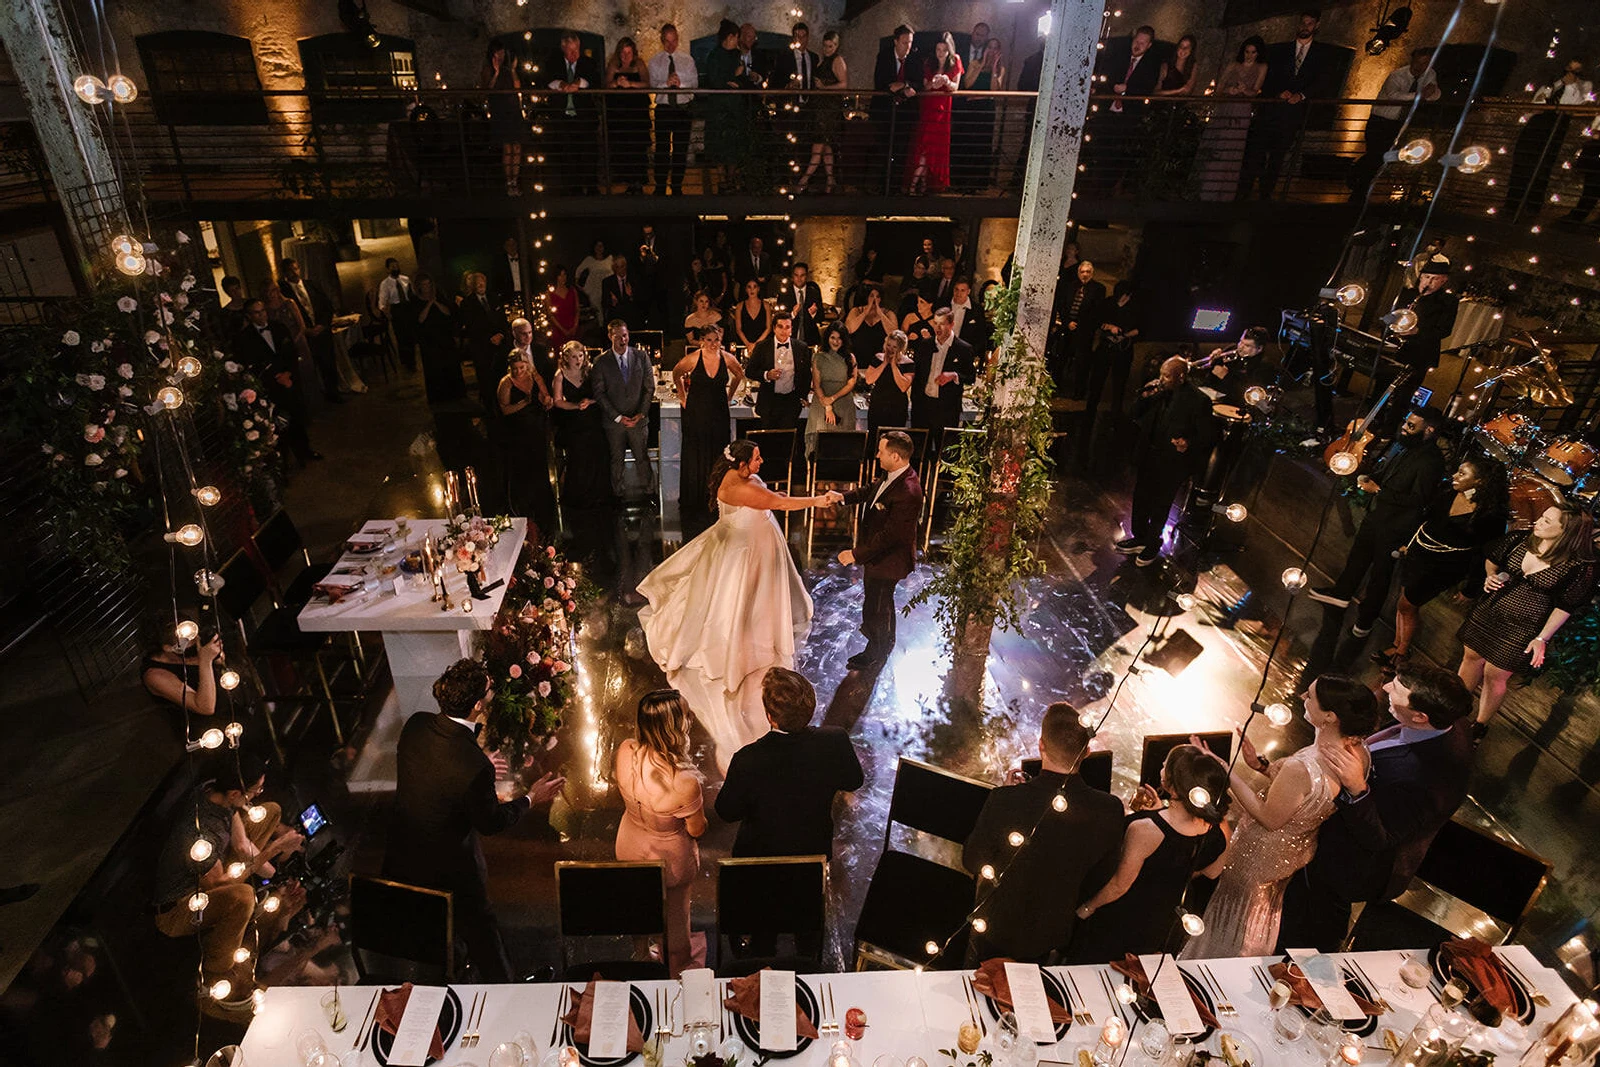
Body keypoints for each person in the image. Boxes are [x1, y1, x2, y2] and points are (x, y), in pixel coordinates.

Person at [638, 439, 829, 770]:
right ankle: (738, 649)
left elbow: (772, 500)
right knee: (740, 605)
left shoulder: (738, 478)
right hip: (746, 557)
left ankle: (757, 633)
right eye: (756, 459)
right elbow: (777, 504)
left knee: (754, 604)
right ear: (740, 465)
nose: (761, 461)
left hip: (753, 548)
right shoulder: (739, 489)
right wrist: (820, 499)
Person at [385, 659, 565, 982]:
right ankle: (504, 986)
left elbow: (436, 767)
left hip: (403, 856)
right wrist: (530, 798)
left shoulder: (416, 724)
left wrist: (476, 767)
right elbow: (491, 822)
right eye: (489, 690)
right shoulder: (472, 767)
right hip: (451, 871)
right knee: (483, 934)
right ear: (478, 704)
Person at [1182, 674, 1381, 959]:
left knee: (1235, 922)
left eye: (1310, 696)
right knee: (1261, 916)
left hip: (1258, 854)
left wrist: (1226, 771)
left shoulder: (1302, 767)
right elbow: (1306, 796)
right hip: (1289, 857)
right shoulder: (1357, 754)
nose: (1302, 697)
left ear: (1329, 717)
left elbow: (1269, 817)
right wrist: (1261, 766)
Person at [1279, 663, 1473, 952]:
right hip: (1336, 837)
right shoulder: (1444, 719)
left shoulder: (1431, 778)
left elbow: (1380, 838)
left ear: (1420, 716)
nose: (1385, 688)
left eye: (1396, 689)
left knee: (1308, 927)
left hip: (1353, 865)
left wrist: (1358, 788)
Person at [963, 705, 1125, 963]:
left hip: (996, 932)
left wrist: (1008, 798)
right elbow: (1102, 876)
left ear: (1041, 746)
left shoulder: (1005, 800)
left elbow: (972, 860)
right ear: (1087, 752)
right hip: (1053, 937)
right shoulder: (1110, 809)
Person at [154, 752, 305, 1008]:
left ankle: (257, 892)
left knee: (271, 811)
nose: (258, 793)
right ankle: (216, 971)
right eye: (255, 790)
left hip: (216, 872)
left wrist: (276, 875)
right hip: (179, 908)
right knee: (243, 896)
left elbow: (241, 843)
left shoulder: (214, 792)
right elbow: (221, 884)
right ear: (235, 794)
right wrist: (275, 848)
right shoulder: (203, 836)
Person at [1069, 745, 1231, 961]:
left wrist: (1087, 908)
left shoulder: (1145, 829)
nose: (1162, 767)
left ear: (1172, 787)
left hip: (1127, 920)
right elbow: (1212, 871)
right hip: (1167, 921)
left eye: (1166, 766)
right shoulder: (1217, 827)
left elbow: (1119, 885)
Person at [1307, 408, 1447, 637]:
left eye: (1411, 425)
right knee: (1357, 559)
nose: (1404, 427)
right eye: (1406, 422)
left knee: (1380, 576)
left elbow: (1419, 499)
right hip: (1378, 515)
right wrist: (1368, 477)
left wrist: (1379, 490)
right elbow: (1388, 474)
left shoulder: (1431, 461)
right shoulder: (1404, 448)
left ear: (1429, 430)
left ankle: (1366, 620)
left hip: (1396, 526)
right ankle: (1341, 594)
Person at [1457, 505, 1597, 729]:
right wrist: (1491, 576)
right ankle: (1451, 713)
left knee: (1495, 675)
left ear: (1565, 532)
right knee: (1470, 658)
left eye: (1547, 521)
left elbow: (1565, 606)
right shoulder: (1519, 540)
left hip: (1524, 626)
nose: (1539, 522)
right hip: (1489, 612)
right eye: (1542, 517)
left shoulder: (1578, 567)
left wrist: (1542, 639)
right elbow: (1493, 557)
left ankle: (1479, 726)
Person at [1374, 457, 1509, 668]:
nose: (1454, 476)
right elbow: (1425, 518)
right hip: (1419, 553)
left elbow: (1486, 552)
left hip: (1445, 567)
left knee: (1407, 603)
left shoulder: (1491, 515)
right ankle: (1397, 644)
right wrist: (1407, 543)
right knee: (1405, 601)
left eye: (1462, 474)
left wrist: (1471, 589)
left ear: (1480, 481)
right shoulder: (1448, 492)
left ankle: (1401, 652)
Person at [716, 667, 864, 858]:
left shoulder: (747, 758)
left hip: (757, 861)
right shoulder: (835, 740)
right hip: (812, 855)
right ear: (811, 708)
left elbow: (727, 812)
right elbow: (854, 781)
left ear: (770, 716)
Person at [614, 690, 706, 977]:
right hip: (670, 861)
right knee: (677, 917)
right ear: (675, 727)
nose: (690, 720)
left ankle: (641, 955)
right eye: (685, 716)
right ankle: (677, 968)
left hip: (629, 844)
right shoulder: (685, 782)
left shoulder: (626, 751)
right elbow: (696, 828)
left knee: (638, 905)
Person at [835, 430, 922, 669]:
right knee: (880, 603)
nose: (877, 456)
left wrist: (855, 554)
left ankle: (875, 654)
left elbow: (890, 536)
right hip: (879, 557)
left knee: (876, 606)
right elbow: (869, 493)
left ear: (895, 456)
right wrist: (842, 498)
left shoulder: (909, 491)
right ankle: (886, 641)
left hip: (889, 560)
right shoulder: (891, 475)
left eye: (881, 452)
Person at [1119, 356, 1217, 566]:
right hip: (1149, 454)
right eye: (1161, 374)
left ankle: (1153, 543)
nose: (1161, 379)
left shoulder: (1198, 400)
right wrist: (1144, 396)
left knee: (1160, 503)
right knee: (1141, 497)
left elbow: (1208, 435)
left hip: (1173, 461)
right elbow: (1134, 413)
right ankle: (1140, 537)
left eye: (1166, 376)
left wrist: (1187, 442)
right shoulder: (1158, 394)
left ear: (1180, 377)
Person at [1239, 10, 1338, 200]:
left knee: (1277, 158)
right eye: (1303, 23)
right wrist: (1278, 92)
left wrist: (1301, 95)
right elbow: (1267, 77)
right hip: (1270, 112)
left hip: (1293, 115)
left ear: (1316, 26)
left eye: (1309, 24)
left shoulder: (1321, 54)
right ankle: (1244, 194)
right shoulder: (1279, 50)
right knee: (1256, 153)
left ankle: (1265, 196)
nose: (1305, 27)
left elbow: (1323, 81)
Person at [672, 324, 744, 517]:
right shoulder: (694, 358)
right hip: (696, 411)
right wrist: (682, 396)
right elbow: (676, 373)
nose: (713, 344)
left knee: (718, 451)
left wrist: (729, 396)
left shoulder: (728, 358)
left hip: (718, 411)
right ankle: (696, 497)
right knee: (697, 451)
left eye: (717, 340)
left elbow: (739, 375)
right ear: (702, 340)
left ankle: (717, 495)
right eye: (709, 340)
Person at [1505, 58, 1592, 217]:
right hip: (1537, 123)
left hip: (1557, 123)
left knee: (1543, 164)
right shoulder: (1551, 84)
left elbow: (1576, 102)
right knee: (1522, 160)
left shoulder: (1584, 86)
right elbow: (1534, 105)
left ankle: (1533, 204)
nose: (1570, 73)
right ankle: (1512, 201)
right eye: (1569, 69)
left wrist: (1572, 84)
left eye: (1575, 70)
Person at [1349, 48, 1440, 198]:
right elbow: (1393, 95)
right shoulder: (1397, 76)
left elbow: (1433, 94)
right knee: (1375, 152)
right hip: (1381, 118)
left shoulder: (1430, 75)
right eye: (1419, 62)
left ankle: (1358, 180)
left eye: (1425, 63)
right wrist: (1418, 95)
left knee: (1380, 154)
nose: (1421, 66)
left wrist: (1431, 92)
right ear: (1413, 60)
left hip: (1399, 121)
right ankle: (1358, 183)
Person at [235, 298, 316, 465]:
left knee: (297, 418)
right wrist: (276, 377)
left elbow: (291, 353)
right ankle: (282, 463)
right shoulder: (245, 337)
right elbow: (252, 364)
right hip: (271, 387)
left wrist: (288, 373)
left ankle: (305, 451)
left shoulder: (279, 327)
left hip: (290, 381)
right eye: (257, 312)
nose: (262, 315)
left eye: (263, 310)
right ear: (249, 316)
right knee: (277, 425)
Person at [591, 320, 656, 501]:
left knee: (642, 458)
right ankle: (617, 495)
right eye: (618, 336)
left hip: (638, 419)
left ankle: (649, 493)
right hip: (614, 423)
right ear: (610, 337)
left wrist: (640, 413)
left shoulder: (641, 357)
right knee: (616, 460)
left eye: (625, 335)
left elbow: (649, 388)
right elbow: (599, 393)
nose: (623, 340)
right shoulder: (601, 362)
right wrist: (618, 417)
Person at [1196, 36, 1266, 201]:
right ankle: (1206, 188)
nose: (1249, 55)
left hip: (1242, 111)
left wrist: (1244, 90)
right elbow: (1219, 88)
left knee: (1233, 148)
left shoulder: (1261, 67)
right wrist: (1230, 90)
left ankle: (1223, 191)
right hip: (1226, 107)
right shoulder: (1233, 65)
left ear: (1258, 53)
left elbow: (1255, 91)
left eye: (1253, 52)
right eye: (1247, 52)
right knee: (1218, 143)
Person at [497, 352, 557, 534]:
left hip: (537, 428)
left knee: (539, 464)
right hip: (518, 431)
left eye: (522, 368)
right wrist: (524, 403)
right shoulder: (506, 383)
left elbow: (545, 395)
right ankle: (523, 504)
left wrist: (547, 401)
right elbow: (505, 410)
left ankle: (542, 503)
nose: (519, 372)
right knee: (523, 466)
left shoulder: (534, 376)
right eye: (515, 369)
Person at [550, 341, 613, 507]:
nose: (578, 360)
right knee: (578, 453)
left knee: (598, 449)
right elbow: (557, 401)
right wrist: (575, 406)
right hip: (573, 419)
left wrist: (590, 401)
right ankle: (580, 495)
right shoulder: (560, 375)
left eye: (580, 356)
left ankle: (599, 493)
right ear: (566, 358)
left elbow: (603, 394)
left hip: (593, 416)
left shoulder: (591, 371)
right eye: (573, 357)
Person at [1084, 279, 1141, 441]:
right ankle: (1090, 409)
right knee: (1097, 380)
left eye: (1125, 297)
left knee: (1119, 383)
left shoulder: (1135, 307)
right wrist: (1109, 327)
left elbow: (1140, 329)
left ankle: (1115, 415)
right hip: (1106, 347)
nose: (1123, 299)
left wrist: (1124, 335)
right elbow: (1096, 320)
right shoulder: (1108, 303)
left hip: (1123, 349)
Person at [278, 258, 342, 403]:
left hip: (322, 332)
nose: (294, 273)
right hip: (304, 336)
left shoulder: (312, 285)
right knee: (310, 367)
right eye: (290, 270)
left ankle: (333, 393)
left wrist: (322, 325)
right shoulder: (284, 292)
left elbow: (327, 306)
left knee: (329, 363)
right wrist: (305, 330)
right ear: (285, 273)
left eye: (296, 268)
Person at [142, 626, 222, 741]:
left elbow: (219, 661)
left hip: (226, 706)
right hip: (205, 730)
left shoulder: (187, 650)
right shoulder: (154, 676)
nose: (196, 639)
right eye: (187, 638)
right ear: (168, 648)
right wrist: (205, 661)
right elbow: (205, 707)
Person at [910, 308, 975, 447]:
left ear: (951, 325)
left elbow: (971, 377)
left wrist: (954, 375)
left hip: (946, 409)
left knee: (945, 450)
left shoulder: (963, 348)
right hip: (923, 406)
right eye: (935, 323)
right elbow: (918, 373)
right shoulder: (925, 345)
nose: (937, 328)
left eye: (942, 324)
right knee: (920, 449)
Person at [905, 33, 962, 195]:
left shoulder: (955, 61)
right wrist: (933, 83)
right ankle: (915, 185)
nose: (941, 52)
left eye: (944, 49)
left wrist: (945, 81)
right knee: (924, 146)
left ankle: (920, 185)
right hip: (929, 107)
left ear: (949, 49)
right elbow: (925, 86)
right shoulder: (929, 62)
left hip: (943, 111)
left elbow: (955, 87)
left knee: (933, 148)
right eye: (938, 49)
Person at [545, 33, 600, 195]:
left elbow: (594, 80)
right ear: (563, 49)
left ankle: (591, 188)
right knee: (568, 154)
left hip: (584, 118)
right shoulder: (553, 63)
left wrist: (579, 83)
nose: (574, 55)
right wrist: (562, 84)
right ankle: (572, 189)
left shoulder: (587, 62)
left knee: (589, 154)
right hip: (563, 119)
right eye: (570, 51)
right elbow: (548, 79)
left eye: (577, 50)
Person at [648, 23, 698, 197]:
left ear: (678, 39)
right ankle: (660, 185)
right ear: (662, 41)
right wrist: (666, 84)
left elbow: (694, 85)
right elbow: (653, 86)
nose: (671, 45)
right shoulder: (655, 61)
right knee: (661, 148)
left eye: (674, 40)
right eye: (667, 41)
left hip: (683, 108)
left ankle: (677, 185)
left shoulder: (687, 60)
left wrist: (680, 84)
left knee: (680, 149)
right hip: (664, 108)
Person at [745, 309, 812, 435]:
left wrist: (802, 396)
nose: (784, 330)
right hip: (769, 402)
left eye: (787, 327)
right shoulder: (762, 346)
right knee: (768, 439)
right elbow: (749, 371)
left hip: (790, 403)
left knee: (788, 440)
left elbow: (806, 375)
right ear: (774, 328)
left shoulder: (801, 347)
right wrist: (767, 375)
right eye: (780, 327)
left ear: (791, 329)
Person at [798, 31, 847, 194]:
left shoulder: (838, 60)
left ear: (836, 45)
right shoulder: (824, 60)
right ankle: (830, 180)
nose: (827, 49)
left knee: (818, 147)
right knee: (825, 147)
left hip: (829, 111)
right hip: (821, 110)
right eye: (825, 46)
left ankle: (803, 181)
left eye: (830, 46)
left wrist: (824, 88)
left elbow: (844, 85)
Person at [873, 25, 921, 190]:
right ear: (895, 41)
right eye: (904, 42)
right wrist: (891, 87)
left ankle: (896, 187)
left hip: (905, 113)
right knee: (884, 148)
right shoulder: (884, 56)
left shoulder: (914, 57)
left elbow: (918, 81)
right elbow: (880, 81)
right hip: (885, 111)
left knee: (901, 150)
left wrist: (905, 85)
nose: (907, 46)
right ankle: (881, 186)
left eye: (910, 42)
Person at [954, 38, 1005, 192]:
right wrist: (982, 65)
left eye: (995, 48)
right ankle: (962, 182)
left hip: (987, 108)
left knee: (982, 144)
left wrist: (994, 68)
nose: (992, 50)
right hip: (971, 108)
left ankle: (978, 183)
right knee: (968, 142)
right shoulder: (974, 63)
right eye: (990, 47)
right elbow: (968, 84)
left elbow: (994, 91)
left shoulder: (1000, 69)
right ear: (985, 48)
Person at [702, 21, 748, 191]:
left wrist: (737, 79)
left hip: (734, 109)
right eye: (737, 37)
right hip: (719, 109)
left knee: (734, 147)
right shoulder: (714, 56)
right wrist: (731, 77)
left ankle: (731, 178)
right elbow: (714, 80)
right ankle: (722, 181)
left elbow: (740, 80)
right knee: (719, 147)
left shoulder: (737, 55)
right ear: (730, 37)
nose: (738, 40)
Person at [407, 274, 463, 405]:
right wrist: (429, 304)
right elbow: (420, 319)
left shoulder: (439, 296)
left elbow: (448, 313)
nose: (426, 287)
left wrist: (435, 302)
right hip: (429, 340)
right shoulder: (415, 301)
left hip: (444, 336)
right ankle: (439, 397)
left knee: (450, 364)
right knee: (434, 368)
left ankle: (456, 393)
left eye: (428, 284)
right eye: (424, 285)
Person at [459, 271, 510, 412]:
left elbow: (502, 320)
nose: (481, 285)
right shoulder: (467, 304)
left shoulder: (494, 298)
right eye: (478, 283)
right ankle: (490, 410)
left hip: (499, 346)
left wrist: (500, 334)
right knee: (486, 381)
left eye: (483, 282)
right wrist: (489, 338)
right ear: (473, 285)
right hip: (482, 348)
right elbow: (472, 327)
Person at [604, 37, 650, 194]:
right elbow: (606, 85)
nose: (625, 56)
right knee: (622, 147)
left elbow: (646, 84)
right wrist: (616, 84)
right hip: (619, 115)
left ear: (633, 52)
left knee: (637, 147)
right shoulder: (613, 65)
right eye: (623, 52)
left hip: (636, 114)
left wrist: (630, 84)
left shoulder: (639, 64)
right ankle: (627, 182)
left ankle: (637, 184)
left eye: (628, 52)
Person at [806, 323, 858, 456]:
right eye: (832, 337)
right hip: (822, 403)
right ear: (827, 338)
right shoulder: (819, 357)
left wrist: (833, 398)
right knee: (820, 447)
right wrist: (827, 406)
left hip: (844, 402)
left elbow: (851, 382)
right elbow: (816, 385)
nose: (836, 341)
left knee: (842, 446)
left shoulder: (850, 358)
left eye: (839, 338)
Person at [1055, 259, 1104, 398]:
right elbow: (1063, 305)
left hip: (1084, 331)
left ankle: (1078, 392)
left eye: (1088, 272)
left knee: (1082, 363)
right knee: (1061, 359)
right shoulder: (1071, 286)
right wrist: (1068, 322)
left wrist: (1082, 325)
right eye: (1082, 272)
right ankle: (1056, 388)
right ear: (1078, 273)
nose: (1085, 274)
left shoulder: (1098, 289)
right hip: (1068, 328)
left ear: (1092, 273)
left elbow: (1096, 311)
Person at [481, 42, 524, 196]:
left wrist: (512, 70)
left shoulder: (508, 70)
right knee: (507, 148)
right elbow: (488, 89)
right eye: (498, 53)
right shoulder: (488, 70)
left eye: (502, 54)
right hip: (500, 111)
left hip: (513, 111)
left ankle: (515, 180)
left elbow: (517, 87)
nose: (501, 56)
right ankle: (509, 182)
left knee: (517, 147)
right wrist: (496, 73)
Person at [863, 330, 914, 440]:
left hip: (897, 407)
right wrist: (884, 363)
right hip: (878, 404)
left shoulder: (909, 363)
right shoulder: (878, 358)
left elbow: (903, 387)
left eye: (894, 347)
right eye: (888, 345)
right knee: (874, 438)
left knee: (893, 440)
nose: (890, 349)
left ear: (901, 348)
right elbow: (869, 379)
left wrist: (894, 365)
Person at [774, 262, 824, 347]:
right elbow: (779, 319)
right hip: (789, 339)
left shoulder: (813, 292)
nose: (799, 278)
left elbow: (821, 317)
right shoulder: (784, 294)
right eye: (796, 275)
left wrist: (814, 314)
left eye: (802, 275)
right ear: (792, 276)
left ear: (806, 276)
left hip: (810, 340)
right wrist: (792, 314)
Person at [846, 283, 896, 359]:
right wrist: (865, 312)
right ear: (867, 297)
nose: (874, 299)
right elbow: (850, 329)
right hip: (857, 356)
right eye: (872, 296)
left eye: (878, 297)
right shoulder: (856, 311)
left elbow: (894, 334)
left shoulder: (889, 314)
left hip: (880, 358)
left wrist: (881, 314)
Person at [603, 254, 641, 331]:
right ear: (614, 268)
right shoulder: (607, 282)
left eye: (622, 266)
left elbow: (641, 301)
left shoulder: (634, 280)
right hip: (616, 321)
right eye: (617, 267)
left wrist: (631, 296)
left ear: (626, 266)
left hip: (632, 321)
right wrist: (612, 302)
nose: (621, 269)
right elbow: (604, 303)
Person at [546, 264, 580, 348]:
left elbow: (577, 309)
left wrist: (575, 326)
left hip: (573, 328)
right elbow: (550, 315)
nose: (563, 277)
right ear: (556, 277)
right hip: (559, 329)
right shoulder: (550, 294)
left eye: (564, 275)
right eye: (560, 275)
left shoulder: (572, 290)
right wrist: (562, 330)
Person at [733, 278, 773, 351]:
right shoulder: (740, 306)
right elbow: (738, 329)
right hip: (744, 345)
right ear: (746, 289)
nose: (752, 290)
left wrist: (756, 344)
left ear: (758, 289)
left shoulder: (766, 305)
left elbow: (768, 328)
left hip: (762, 344)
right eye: (749, 287)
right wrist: (748, 344)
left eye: (754, 287)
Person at [575, 239, 612, 312]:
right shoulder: (589, 260)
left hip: (608, 290)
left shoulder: (610, 259)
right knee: (598, 313)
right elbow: (578, 270)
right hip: (595, 291)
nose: (599, 248)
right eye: (597, 246)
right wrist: (577, 283)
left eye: (601, 246)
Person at [489, 237, 524, 308]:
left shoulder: (524, 259)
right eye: (509, 245)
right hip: (508, 296)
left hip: (524, 293)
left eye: (513, 245)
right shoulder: (499, 262)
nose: (512, 248)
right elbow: (496, 280)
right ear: (505, 247)